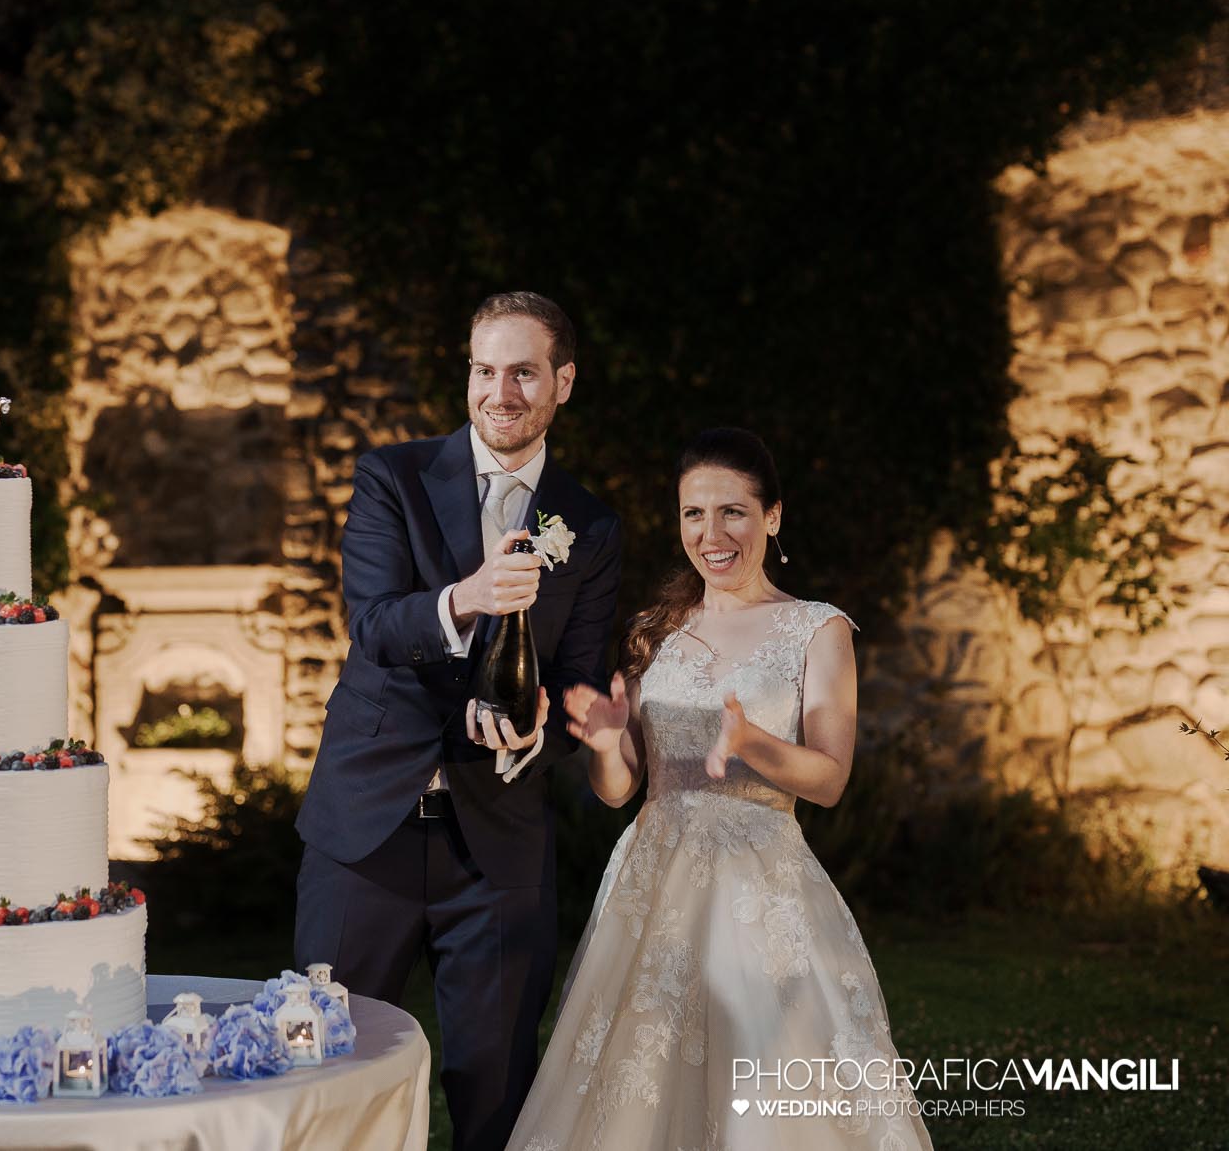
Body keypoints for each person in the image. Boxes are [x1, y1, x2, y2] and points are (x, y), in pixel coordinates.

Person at [508, 427, 932, 1150]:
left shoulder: (816, 629)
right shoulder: (657, 632)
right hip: (653, 887)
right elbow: (620, 793)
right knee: (637, 1083)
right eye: (693, 514)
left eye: (733, 511)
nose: (712, 533)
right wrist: (609, 743)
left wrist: (751, 741)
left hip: (758, 888)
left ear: (772, 516)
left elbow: (829, 780)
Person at [296, 292, 624, 1151]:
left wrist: (549, 722)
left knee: (495, 1093)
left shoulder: (586, 525)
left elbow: (580, 677)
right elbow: (373, 624)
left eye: (523, 371)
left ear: (563, 382)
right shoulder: (392, 477)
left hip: (500, 847)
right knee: (326, 1068)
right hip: (366, 830)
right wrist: (468, 598)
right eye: (485, 369)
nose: (500, 391)